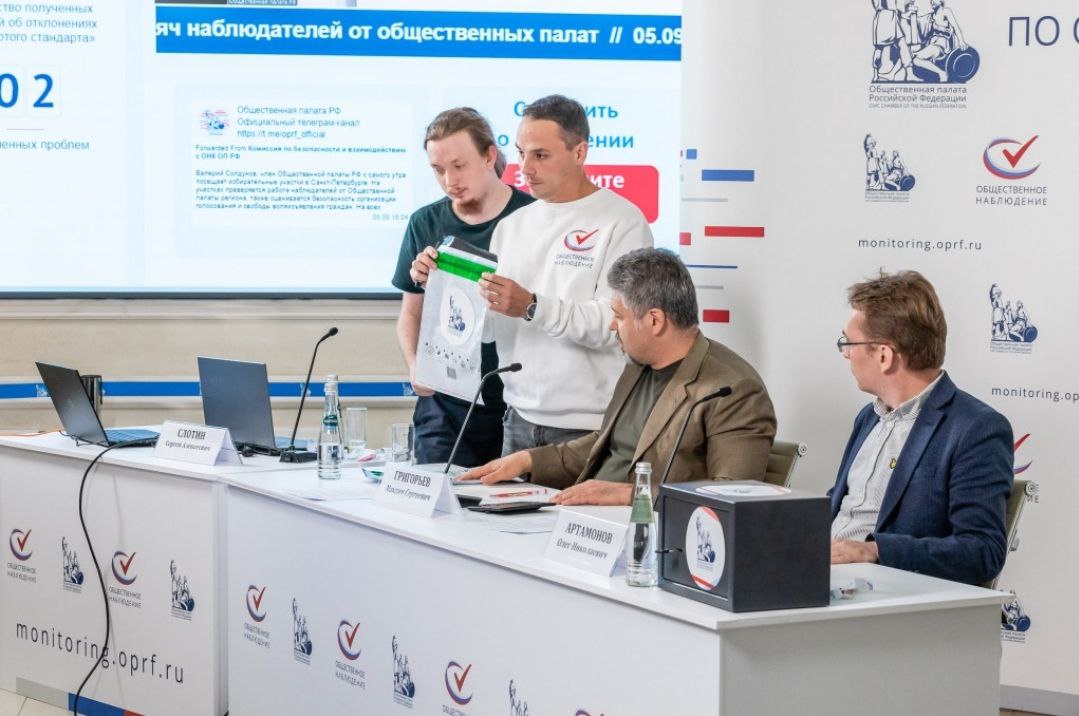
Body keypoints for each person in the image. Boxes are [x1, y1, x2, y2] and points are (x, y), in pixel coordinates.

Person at [460, 248, 776, 506]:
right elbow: (605, 445)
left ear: (654, 321)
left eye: (618, 316)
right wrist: (528, 460)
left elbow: (734, 496)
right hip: (586, 526)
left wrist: (630, 495)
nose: (612, 326)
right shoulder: (637, 365)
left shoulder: (734, 389)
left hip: (648, 537)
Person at [475, 94, 654, 454]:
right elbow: (490, 328)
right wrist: (448, 286)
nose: (525, 168)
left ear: (579, 152)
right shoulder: (511, 227)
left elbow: (613, 325)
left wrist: (531, 306)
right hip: (517, 420)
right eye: (521, 153)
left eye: (541, 155)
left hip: (589, 428)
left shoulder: (623, 222)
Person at [830, 270, 1012, 585]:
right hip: (821, 577)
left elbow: (983, 551)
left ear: (884, 355)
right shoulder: (869, 417)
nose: (846, 353)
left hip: (884, 592)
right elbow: (843, 504)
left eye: (849, 343)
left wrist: (874, 551)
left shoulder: (975, 428)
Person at [392, 107, 534, 466]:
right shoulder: (425, 222)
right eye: (438, 169)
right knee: (437, 497)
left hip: (518, 405)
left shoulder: (534, 218)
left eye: (459, 165)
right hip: (444, 404)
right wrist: (415, 366)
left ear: (489, 156)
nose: (449, 180)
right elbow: (411, 313)